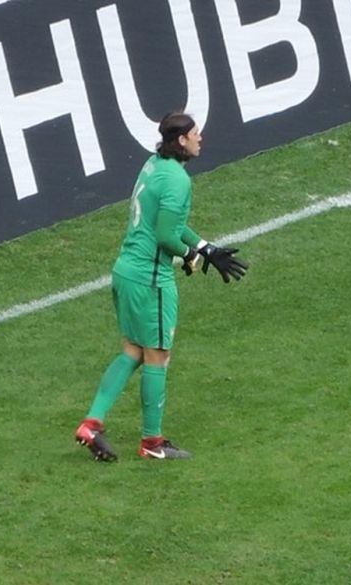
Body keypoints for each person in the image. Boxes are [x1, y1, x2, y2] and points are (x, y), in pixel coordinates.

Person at [74, 112, 249, 462]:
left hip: (126, 271)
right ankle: (152, 443)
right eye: (196, 134)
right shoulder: (179, 182)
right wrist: (189, 256)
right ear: (182, 140)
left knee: (132, 351)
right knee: (158, 355)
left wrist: (206, 248)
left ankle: (91, 424)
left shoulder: (154, 165)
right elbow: (167, 235)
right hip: (150, 280)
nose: (201, 139)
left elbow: (167, 223)